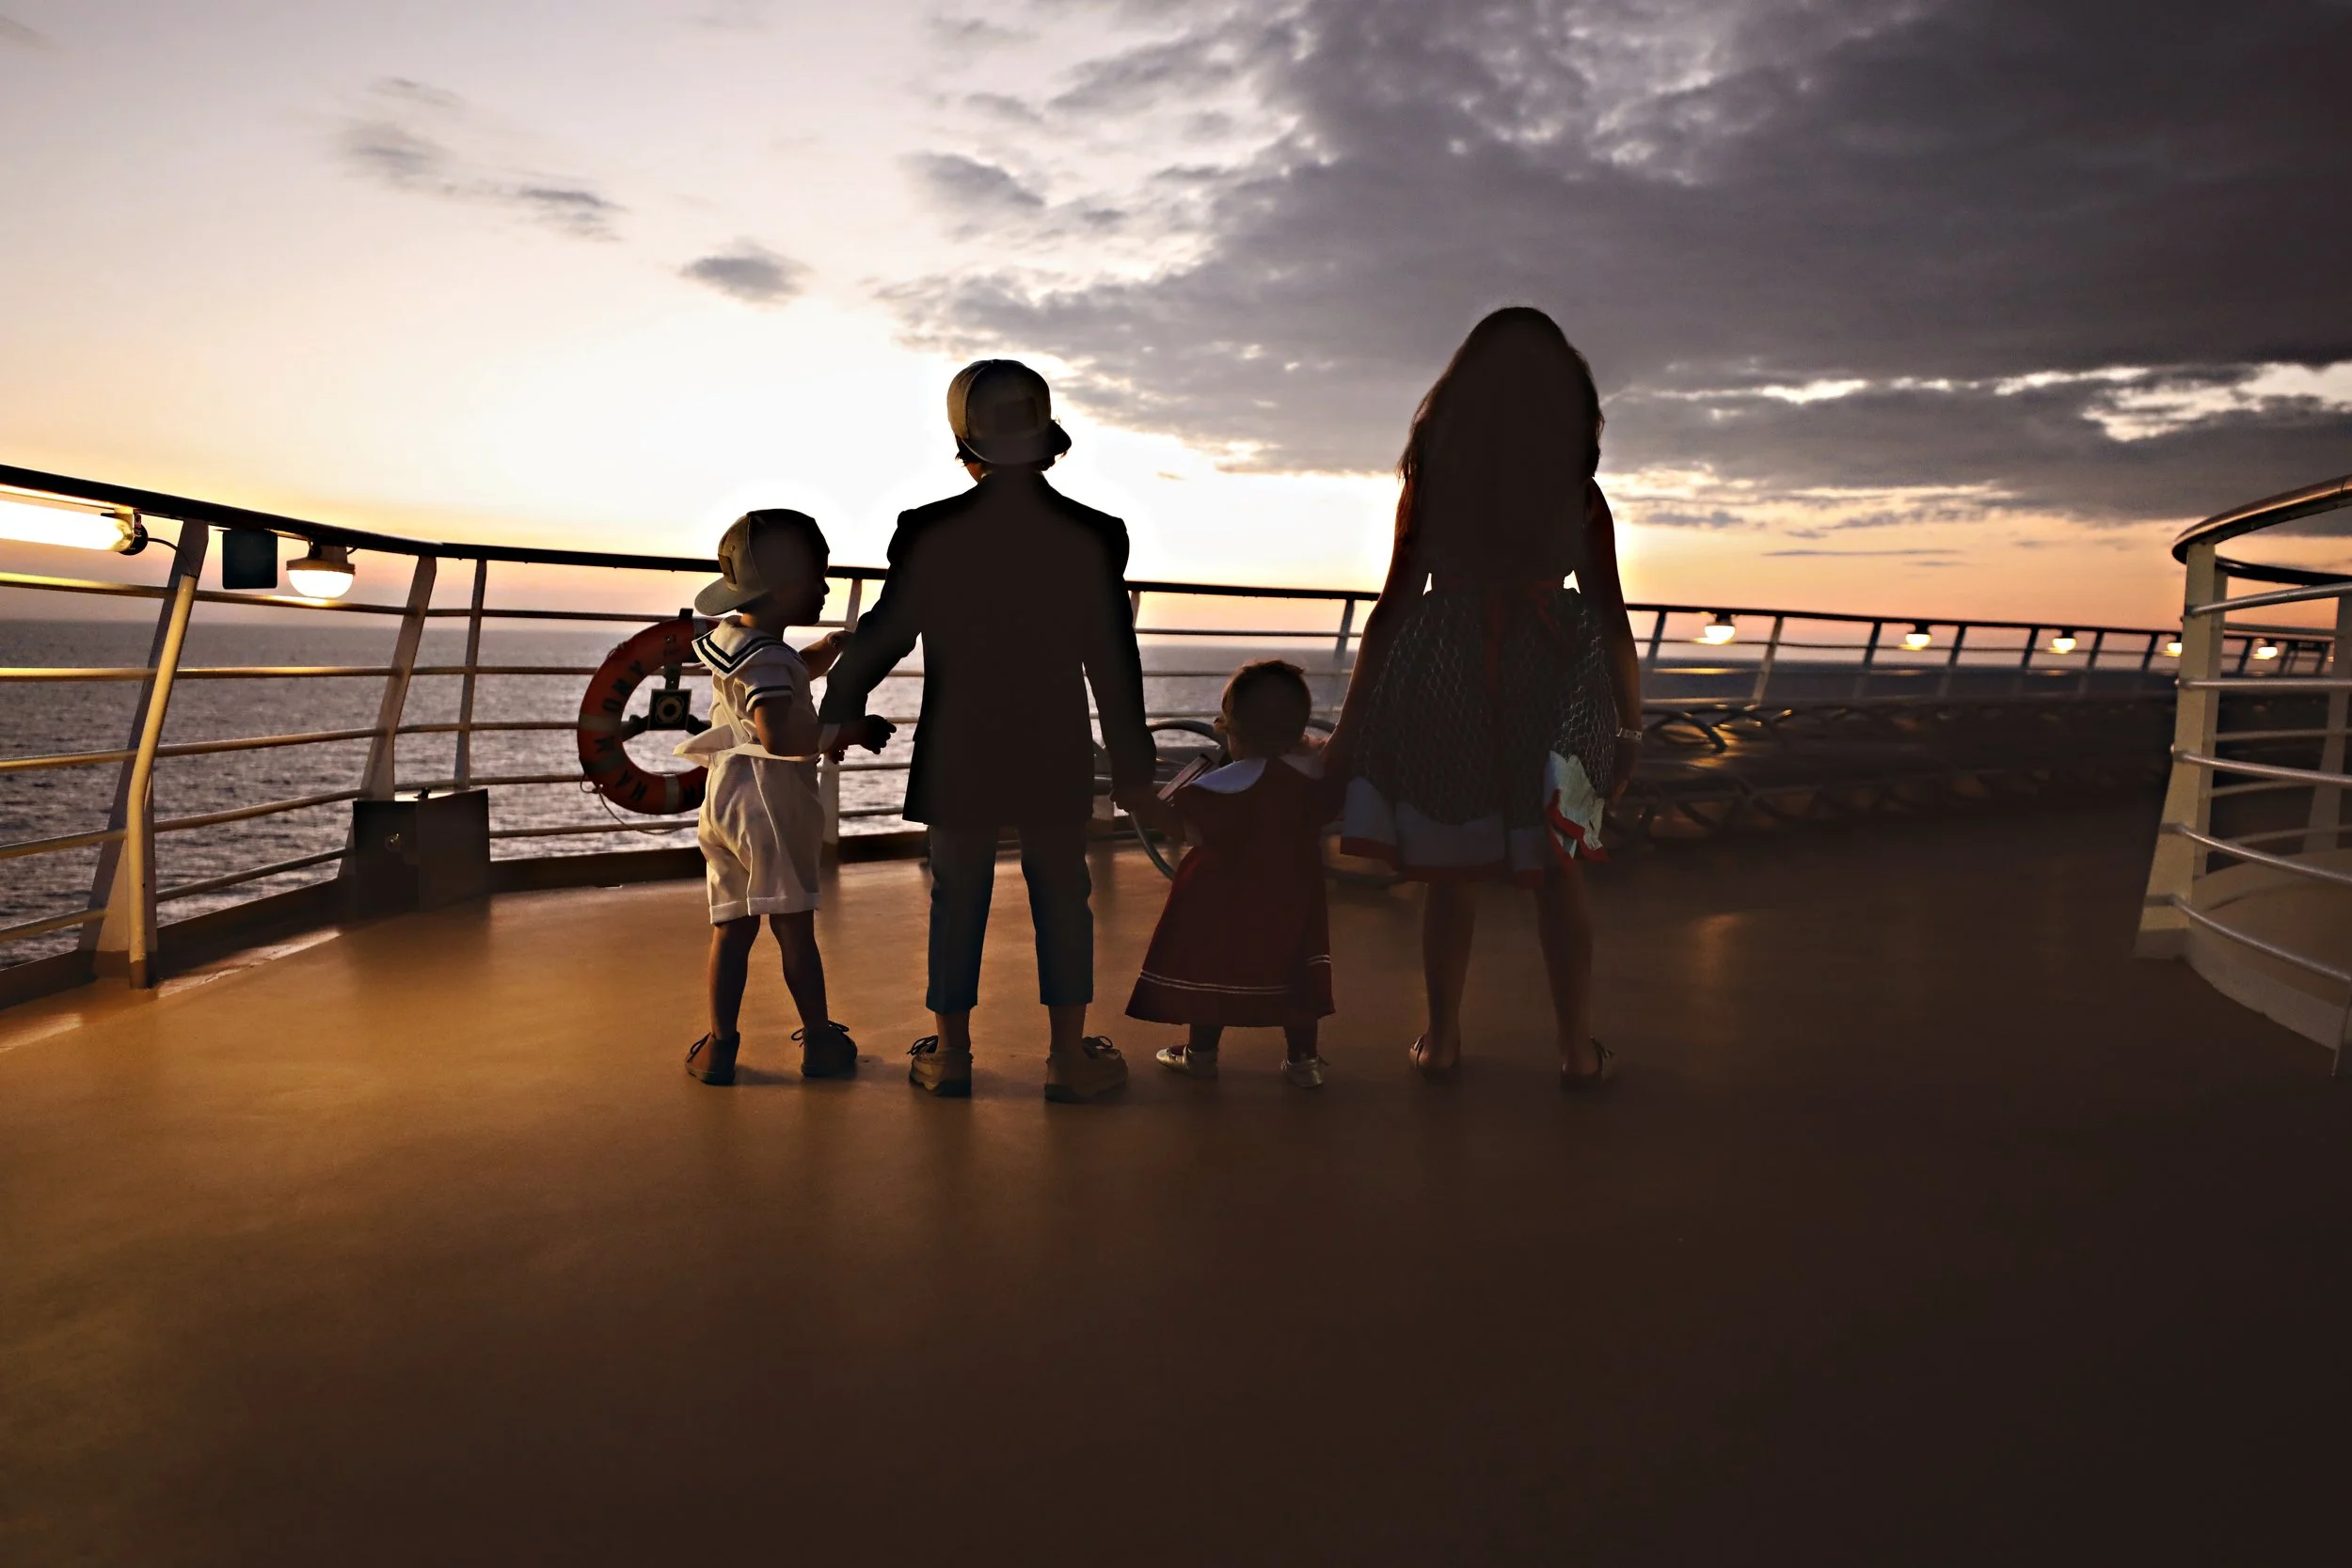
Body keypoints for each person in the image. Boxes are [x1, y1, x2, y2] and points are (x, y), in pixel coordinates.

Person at [818, 359, 1159, 1103]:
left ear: (963, 442)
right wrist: (1135, 769)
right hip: (1053, 740)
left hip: (960, 742)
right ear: (1046, 439)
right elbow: (1112, 659)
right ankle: (1068, 1057)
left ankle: (951, 1054)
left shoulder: (927, 530)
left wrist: (839, 705)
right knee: (1063, 895)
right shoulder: (1096, 534)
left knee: (957, 893)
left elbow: (886, 631)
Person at [1327, 307, 1644, 1090]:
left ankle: (1441, 1041)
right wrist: (1628, 729)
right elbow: (1611, 616)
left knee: (1448, 863)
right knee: (1560, 864)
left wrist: (1350, 726)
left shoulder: (1435, 484)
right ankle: (1575, 1049)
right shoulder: (1578, 493)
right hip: (1554, 667)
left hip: (1448, 668)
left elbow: (1393, 605)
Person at [677, 509, 891, 1086]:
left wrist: (827, 649)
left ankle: (719, 1047)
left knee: (733, 926)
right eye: (817, 577)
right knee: (794, 927)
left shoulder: (735, 640)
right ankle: (819, 1041)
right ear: (782, 588)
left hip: (724, 801)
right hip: (770, 803)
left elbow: (784, 672)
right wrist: (846, 733)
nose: (825, 586)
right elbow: (779, 734)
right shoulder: (769, 657)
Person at [1130, 659, 1344, 1088]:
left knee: (1213, 971)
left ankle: (1200, 1053)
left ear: (1235, 732)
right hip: (1293, 896)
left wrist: (1144, 802)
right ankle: (1304, 1061)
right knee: (1295, 970)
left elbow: (1189, 830)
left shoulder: (1220, 788)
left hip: (1220, 901)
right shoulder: (1314, 776)